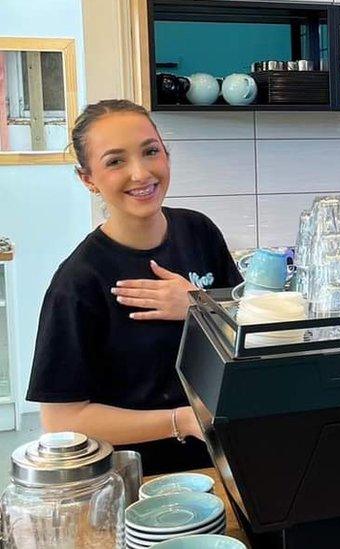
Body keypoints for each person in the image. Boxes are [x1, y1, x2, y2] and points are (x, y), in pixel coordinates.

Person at [26, 100, 242, 475]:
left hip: (227, 459)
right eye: (115, 161)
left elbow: (245, 332)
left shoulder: (199, 231)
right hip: (139, 478)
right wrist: (181, 420)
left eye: (150, 152)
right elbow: (61, 418)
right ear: (88, 179)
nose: (141, 173)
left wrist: (199, 306)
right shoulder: (79, 281)